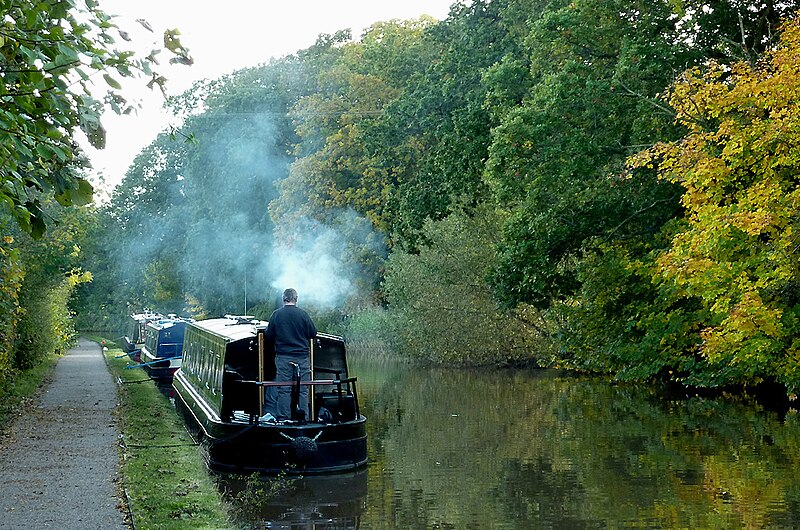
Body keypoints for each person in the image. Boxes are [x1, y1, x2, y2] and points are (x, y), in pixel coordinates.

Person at [264, 288, 317, 421]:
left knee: (284, 389)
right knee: (304, 389)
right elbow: (313, 333)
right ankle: (304, 418)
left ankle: (283, 418)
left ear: (284, 299)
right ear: (296, 299)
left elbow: (268, 335)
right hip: (303, 357)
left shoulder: (276, 315)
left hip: (284, 357)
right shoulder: (303, 315)